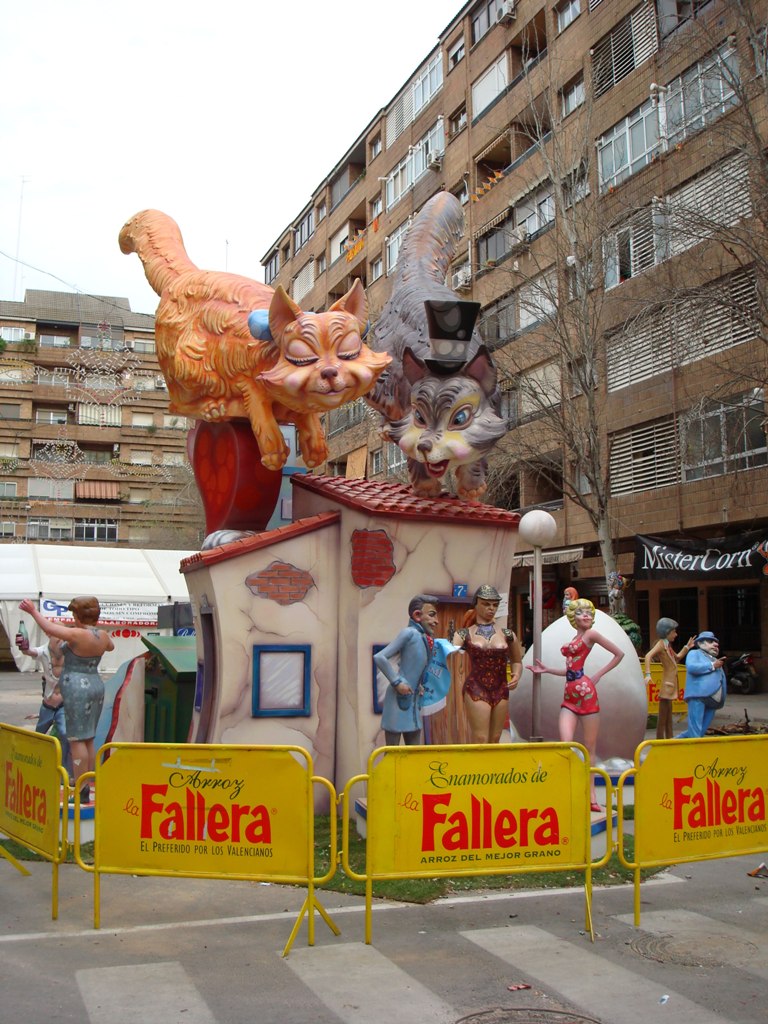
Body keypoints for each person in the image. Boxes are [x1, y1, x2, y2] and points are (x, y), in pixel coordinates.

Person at [529, 597, 624, 811]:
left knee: (590, 748)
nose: (587, 616)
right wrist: (547, 670)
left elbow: (619, 654)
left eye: (589, 613)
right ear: (574, 617)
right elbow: (571, 670)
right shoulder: (576, 637)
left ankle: (591, 796)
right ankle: (570, 788)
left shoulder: (591, 635)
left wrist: (597, 675)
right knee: (567, 744)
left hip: (586, 694)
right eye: (582, 613)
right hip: (570, 695)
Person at [19, 596, 114, 802]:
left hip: (76, 687)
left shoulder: (76, 634)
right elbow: (111, 647)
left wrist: (33, 612)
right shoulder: (103, 635)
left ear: (78, 616)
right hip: (96, 685)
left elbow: (50, 628)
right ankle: (86, 784)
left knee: (76, 739)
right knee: (88, 737)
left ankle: (81, 790)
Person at [452, 584, 523, 745]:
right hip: (476, 687)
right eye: (486, 604)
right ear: (476, 604)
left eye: (495, 604)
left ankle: (493, 770)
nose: (491, 608)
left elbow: (517, 660)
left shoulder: (507, 634)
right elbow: (450, 650)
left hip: (501, 687)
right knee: (481, 738)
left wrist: (516, 674)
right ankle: (478, 769)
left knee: (496, 737)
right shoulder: (464, 633)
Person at [374, 594, 439, 746]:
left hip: (413, 698)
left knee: (414, 749)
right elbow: (380, 657)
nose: (436, 621)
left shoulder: (422, 637)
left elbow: (415, 665)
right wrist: (397, 682)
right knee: (393, 750)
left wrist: (419, 684)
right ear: (417, 615)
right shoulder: (409, 633)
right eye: (432, 615)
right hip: (399, 697)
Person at [18, 632, 72, 778]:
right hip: (48, 704)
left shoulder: (70, 651)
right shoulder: (43, 651)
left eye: (63, 638)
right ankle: (35, 764)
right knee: (39, 735)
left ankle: (64, 771)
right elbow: (29, 651)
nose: (61, 641)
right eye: (58, 638)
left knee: (64, 733)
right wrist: (23, 647)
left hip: (63, 703)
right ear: (50, 637)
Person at [644, 618, 695, 740]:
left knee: (668, 716)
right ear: (666, 632)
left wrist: (687, 647)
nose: (676, 634)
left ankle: (669, 737)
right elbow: (648, 656)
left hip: (671, 684)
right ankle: (660, 739)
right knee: (663, 717)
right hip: (667, 685)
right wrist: (648, 674)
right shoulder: (661, 644)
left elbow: (677, 658)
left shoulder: (667, 646)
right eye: (674, 632)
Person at [677, 630, 726, 739]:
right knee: (695, 729)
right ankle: (694, 751)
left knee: (700, 730)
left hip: (713, 700)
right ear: (701, 643)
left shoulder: (714, 659)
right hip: (698, 696)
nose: (715, 644)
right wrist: (713, 665)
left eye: (716, 642)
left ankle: (673, 743)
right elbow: (692, 667)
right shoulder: (694, 653)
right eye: (710, 641)